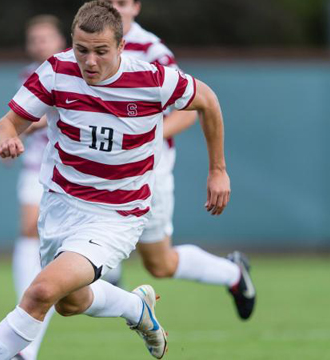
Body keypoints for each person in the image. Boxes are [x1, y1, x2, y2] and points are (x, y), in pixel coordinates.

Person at [0, 1, 229, 359]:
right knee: (69, 302)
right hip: (60, 206)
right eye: (82, 50)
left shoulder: (152, 78)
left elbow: (208, 101)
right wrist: (6, 139)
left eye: (101, 52)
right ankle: (136, 309)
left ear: (121, 47)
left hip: (117, 214)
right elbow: (6, 124)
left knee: (40, 293)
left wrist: (217, 169)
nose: (90, 62)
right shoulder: (56, 71)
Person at [107, 0, 256, 321]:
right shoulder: (89, 48)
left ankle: (231, 273)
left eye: (120, 2)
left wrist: (143, 137)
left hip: (148, 170)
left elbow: (190, 110)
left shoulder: (152, 51)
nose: (113, 9)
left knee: (159, 263)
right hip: (103, 168)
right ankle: (107, 277)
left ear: (136, 6)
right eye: (107, 2)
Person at [10, 15, 66, 360]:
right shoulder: (28, 76)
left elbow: (58, 113)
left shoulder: (74, 71)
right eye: (35, 38)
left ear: (60, 40)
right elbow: (18, 117)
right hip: (36, 167)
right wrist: (10, 138)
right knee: (29, 231)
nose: (40, 43)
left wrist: (27, 125)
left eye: (46, 37)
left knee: (60, 251)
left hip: (70, 170)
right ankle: (24, 320)